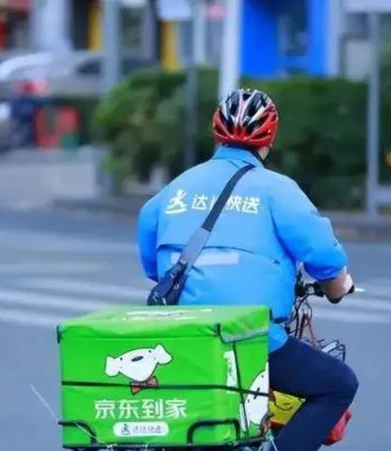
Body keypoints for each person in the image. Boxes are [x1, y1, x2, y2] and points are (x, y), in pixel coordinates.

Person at [137, 88, 358, 451]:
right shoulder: (278, 191)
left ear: (216, 132)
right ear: (269, 139)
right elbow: (325, 258)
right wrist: (339, 287)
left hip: (180, 335)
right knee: (338, 384)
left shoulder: (172, 191)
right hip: (251, 338)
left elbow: (152, 267)